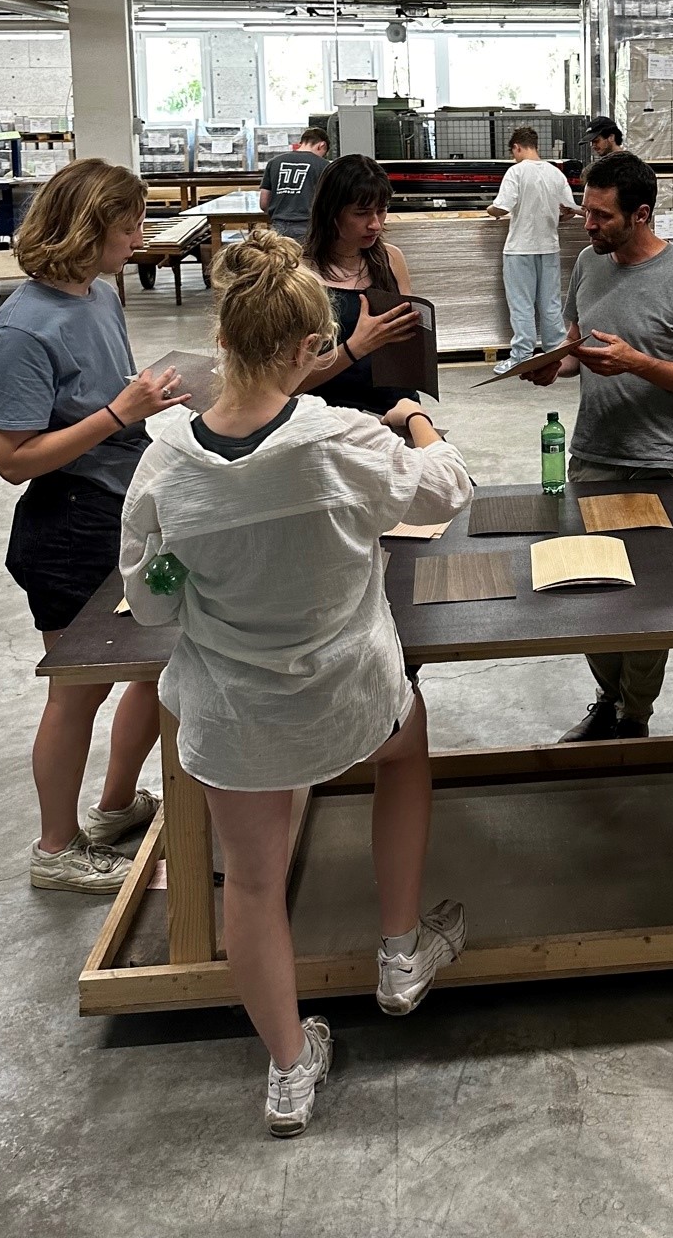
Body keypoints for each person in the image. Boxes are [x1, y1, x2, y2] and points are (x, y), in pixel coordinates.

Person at [121, 228, 473, 1137]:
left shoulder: (164, 462)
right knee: (408, 748)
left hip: (239, 713)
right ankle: (400, 953)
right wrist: (418, 420)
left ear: (222, 340)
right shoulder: (341, 440)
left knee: (253, 881)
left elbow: (152, 605)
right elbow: (447, 491)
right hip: (348, 689)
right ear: (306, 347)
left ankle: (287, 1069)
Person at [0, 159, 189, 894]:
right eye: (127, 224)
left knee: (156, 664)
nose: (139, 235)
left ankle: (111, 807)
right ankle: (56, 846)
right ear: (86, 226)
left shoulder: (99, 297)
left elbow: (111, 401)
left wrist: (151, 401)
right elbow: (15, 459)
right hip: (66, 524)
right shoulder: (21, 329)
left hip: (121, 506)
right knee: (79, 691)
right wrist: (119, 414)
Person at [528, 150, 673, 740]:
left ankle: (634, 716)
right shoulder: (589, 262)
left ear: (640, 215)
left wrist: (636, 362)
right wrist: (554, 365)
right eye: (586, 212)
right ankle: (607, 700)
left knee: (647, 600)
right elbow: (577, 344)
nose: (588, 225)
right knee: (591, 588)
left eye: (601, 216)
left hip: (659, 461)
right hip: (594, 452)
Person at [300, 154, 422, 415]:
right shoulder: (301, 274)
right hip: (330, 415)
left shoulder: (391, 259)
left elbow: (407, 351)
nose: (375, 224)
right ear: (331, 211)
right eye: (361, 213)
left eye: (382, 210)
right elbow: (284, 382)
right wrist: (358, 346)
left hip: (396, 409)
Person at [486, 125, 580, 375]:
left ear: (517, 147)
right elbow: (569, 210)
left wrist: (490, 211)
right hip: (549, 248)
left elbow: (502, 207)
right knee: (550, 304)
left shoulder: (516, 172)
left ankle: (522, 356)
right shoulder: (555, 173)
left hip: (520, 249)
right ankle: (555, 354)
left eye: (513, 152)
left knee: (522, 305)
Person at [257, 126, 330, 240]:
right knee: (307, 258)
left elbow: (264, 203)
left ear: (301, 143)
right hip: (309, 226)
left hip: (278, 226)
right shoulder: (324, 166)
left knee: (281, 257)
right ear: (322, 145)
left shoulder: (274, 162)